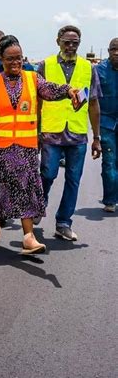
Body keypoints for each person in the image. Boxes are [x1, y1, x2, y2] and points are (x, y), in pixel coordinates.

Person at [0, 35, 79, 254]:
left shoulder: (33, 79)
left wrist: (69, 91)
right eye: (10, 59)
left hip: (25, 148)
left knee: (27, 190)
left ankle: (28, 237)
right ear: (1, 59)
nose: (15, 63)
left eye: (19, 58)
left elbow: (50, 89)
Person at [37, 25, 102, 241]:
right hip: (51, 131)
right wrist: (35, 130)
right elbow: (37, 100)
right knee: (47, 173)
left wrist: (97, 139)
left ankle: (63, 222)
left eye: (75, 43)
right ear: (58, 41)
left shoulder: (88, 68)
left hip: (77, 133)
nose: (71, 46)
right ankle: (40, 203)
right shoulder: (45, 65)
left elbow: (93, 103)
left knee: (74, 179)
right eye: (67, 42)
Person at [95, 38, 118, 212]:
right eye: (113, 49)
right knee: (109, 162)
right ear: (109, 51)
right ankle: (110, 200)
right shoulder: (99, 71)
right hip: (106, 123)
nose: (116, 53)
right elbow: (93, 99)